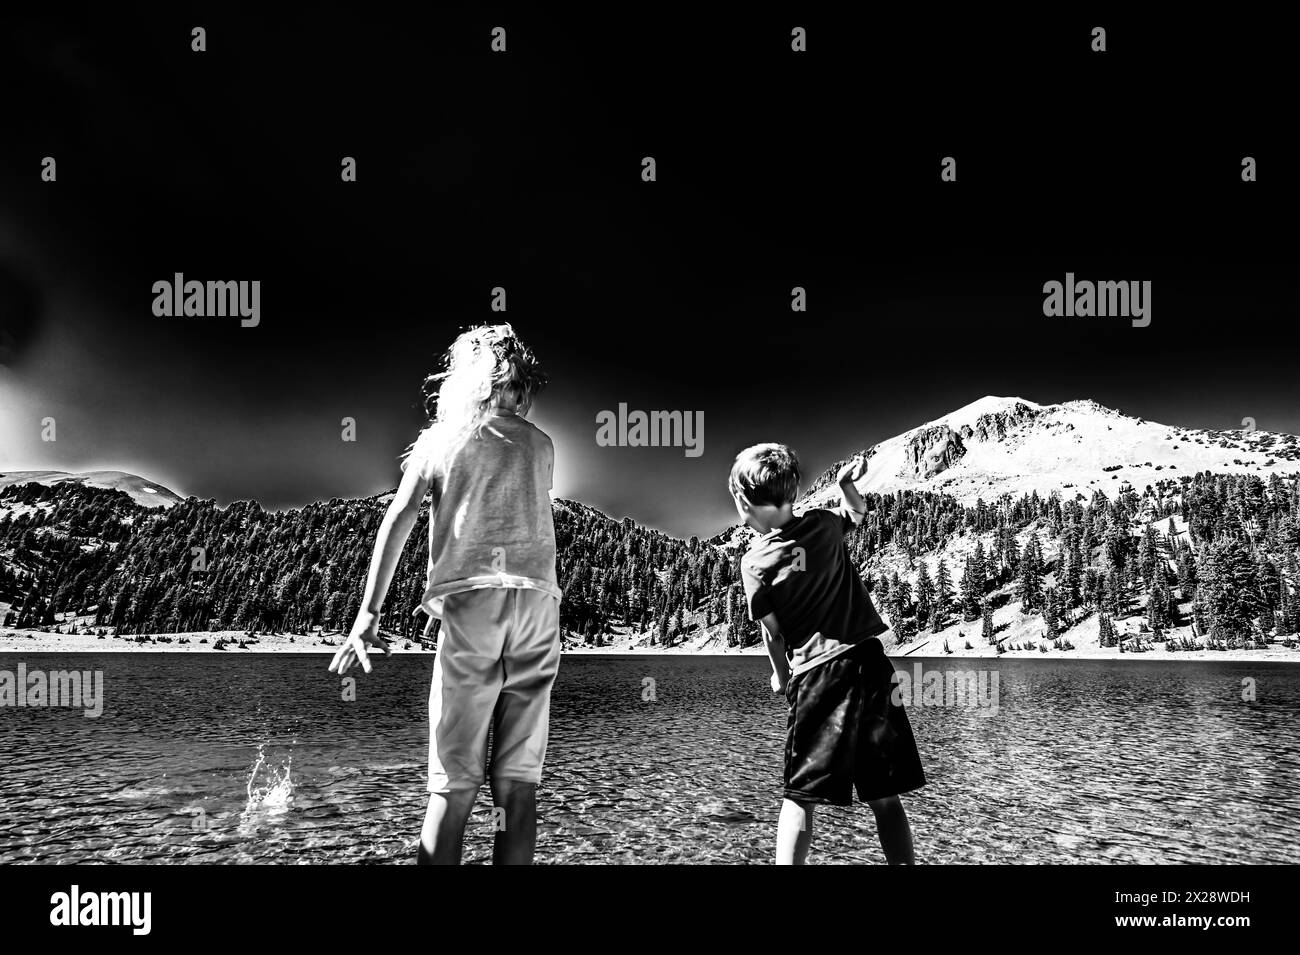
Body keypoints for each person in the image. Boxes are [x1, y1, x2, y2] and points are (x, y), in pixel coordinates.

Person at [329, 323, 561, 865]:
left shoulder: (442, 441)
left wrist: (368, 613)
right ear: (518, 386)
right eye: (526, 387)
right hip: (538, 607)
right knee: (519, 784)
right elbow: (512, 522)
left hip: (473, 608)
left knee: (453, 783)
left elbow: (401, 517)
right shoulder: (543, 445)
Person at [729, 443, 925, 864]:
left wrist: (781, 676)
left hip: (819, 676)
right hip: (871, 665)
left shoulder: (755, 562)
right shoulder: (823, 524)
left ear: (744, 501)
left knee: (801, 797)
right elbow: (857, 513)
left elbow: (773, 634)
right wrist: (844, 485)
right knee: (885, 796)